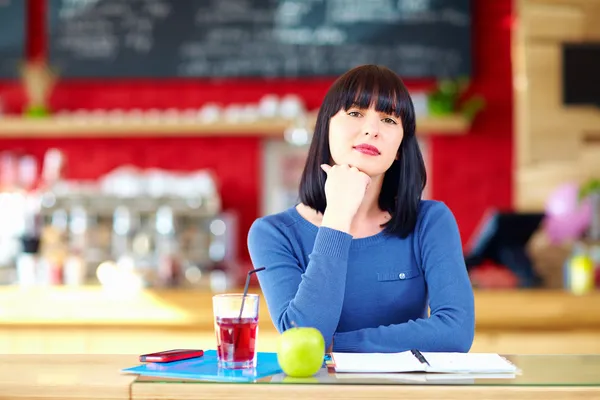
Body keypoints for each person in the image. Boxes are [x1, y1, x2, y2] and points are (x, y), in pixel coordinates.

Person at [247, 64, 474, 353]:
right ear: (325, 129)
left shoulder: (430, 221)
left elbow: (456, 331)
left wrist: (335, 345)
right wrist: (338, 217)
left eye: (389, 119)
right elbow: (304, 333)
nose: (371, 130)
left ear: (401, 148)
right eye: (355, 113)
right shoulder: (274, 233)